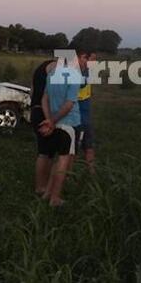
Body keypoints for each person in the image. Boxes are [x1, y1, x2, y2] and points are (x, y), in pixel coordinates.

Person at [39, 57, 84, 207]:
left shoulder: (52, 74)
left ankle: (48, 193)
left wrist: (49, 119)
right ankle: (55, 198)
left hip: (55, 123)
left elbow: (44, 98)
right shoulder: (75, 75)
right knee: (64, 161)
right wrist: (52, 121)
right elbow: (69, 104)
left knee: (57, 160)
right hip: (69, 123)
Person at [30, 57, 56, 196]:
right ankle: (40, 187)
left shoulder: (41, 67)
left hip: (36, 110)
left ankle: (44, 185)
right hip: (44, 112)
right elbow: (53, 94)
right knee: (45, 152)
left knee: (47, 151)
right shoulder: (55, 68)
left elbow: (32, 90)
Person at [77, 50, 96, 174]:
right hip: (75, 118)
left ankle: (91, 172)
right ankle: (66, 174)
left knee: (89, 147)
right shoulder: (75, 74)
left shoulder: (88, 72)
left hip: (86, 117)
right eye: (87, 58)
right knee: (72, 150)